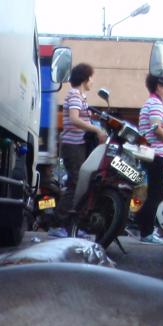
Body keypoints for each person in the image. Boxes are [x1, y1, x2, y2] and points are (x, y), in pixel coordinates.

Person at [53, 62, 106, 233]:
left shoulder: (80, 96)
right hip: (73, 145)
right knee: (76, 184)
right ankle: (58, 224)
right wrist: (96, 129)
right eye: (91, 78)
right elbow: (75, 119)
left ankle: (70, 226)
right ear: (84, 78)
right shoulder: (75, 95)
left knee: (79, 184)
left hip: (78, 145)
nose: (92, 81)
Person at [134, 73, 163, 244]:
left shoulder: (152, 103)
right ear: (159, 86)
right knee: (157, 193)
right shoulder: (155, 104)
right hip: (157, 154)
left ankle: (145, 228)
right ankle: (146, 232)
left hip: (154, 153)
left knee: (155, 193)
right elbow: (156, 128)